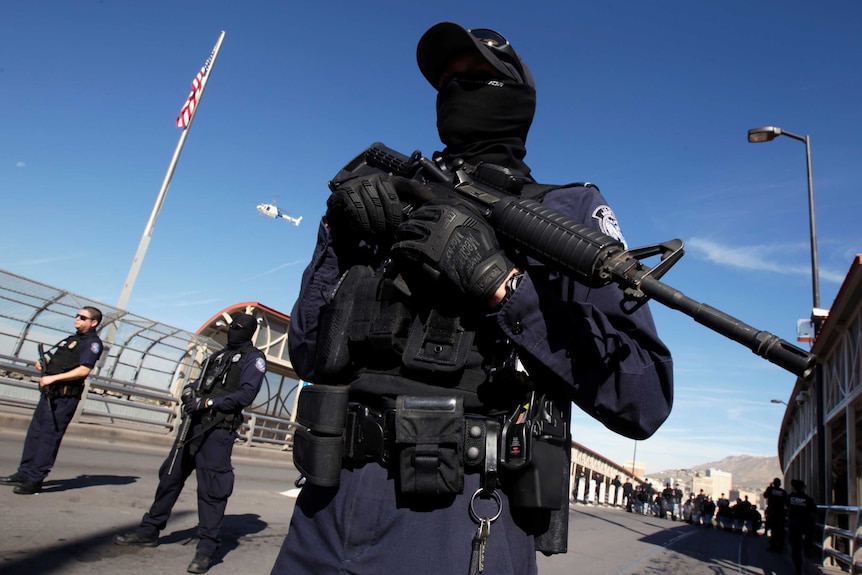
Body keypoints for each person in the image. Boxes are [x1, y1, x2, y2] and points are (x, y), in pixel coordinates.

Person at [271, 22, 673, 575]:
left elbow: (644, 396)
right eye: (445, 81)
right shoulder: (394, 194)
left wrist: (501, 285)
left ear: (516, 98)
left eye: (476, 77)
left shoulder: (566, 214)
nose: (455, 91)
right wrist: (336, 238)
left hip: (462, 517)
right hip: (325, 508)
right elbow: (308, 352)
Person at [113, 312, 266, 574]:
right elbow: (198, 383)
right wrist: (189, 393)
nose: (233, 331)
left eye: (239, 327)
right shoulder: (216, 357)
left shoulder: (254, 359)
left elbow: (246, 394)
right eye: (231, 327)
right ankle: (149, 530)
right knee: (170, 477)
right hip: (192, 427)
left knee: (212, 490)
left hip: (217, 431)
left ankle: (206, 549)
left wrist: (209, 403)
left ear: (249, 330)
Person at [0, 307, 104, 495]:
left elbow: (84, 370)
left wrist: (53, 378)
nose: (77, 319)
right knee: (35, 434)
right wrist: (45, 365)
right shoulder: (72, 340)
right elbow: (62, 362)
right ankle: (24, 473)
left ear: (93, 322)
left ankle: (35, 479)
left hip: (64, 397)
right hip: (50, 394)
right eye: (76, 315)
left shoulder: (92, 343)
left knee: (48, 437)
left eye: (82, 317)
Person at [787, 479, 817, 575]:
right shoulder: (807, 499)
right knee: (802, 547)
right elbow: (814, 510)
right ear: (803, 488)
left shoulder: (791, 497)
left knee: (795, 548)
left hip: (793, 525)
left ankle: (797, 569)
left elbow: (787, 505)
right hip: (804, 526)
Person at [763, 477, 788, 551]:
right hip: (781, 513)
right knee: (780, 530)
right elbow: (786, 501)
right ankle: (780, 547)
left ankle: (773, 546)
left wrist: (770, 487)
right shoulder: (783, 492)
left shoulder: (770, 489)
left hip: (772, 512)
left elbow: (765, 495)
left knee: (773, 530)